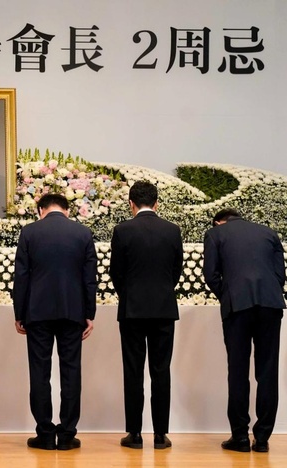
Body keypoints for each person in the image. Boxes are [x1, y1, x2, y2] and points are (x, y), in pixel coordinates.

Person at [13, 193, 97, 451]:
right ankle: (68, 434)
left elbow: (21, 276)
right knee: (71, 371)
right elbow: (89, 278)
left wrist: (19, 313)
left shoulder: (29, 232)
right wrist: (89, 313)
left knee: (40, 372)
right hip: (73, 311)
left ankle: (45, 433)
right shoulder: (82, 233)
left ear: (41, 210)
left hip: (38, 312)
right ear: (67, 210)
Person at [203, 208, 286, 453]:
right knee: (267, 371)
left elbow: (211, 275)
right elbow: (280, 275)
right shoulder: (268, 233)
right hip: (270, 305)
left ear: (218, 222)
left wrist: (228, 295)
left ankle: (239, 437)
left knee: (238, 371)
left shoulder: (215, 234)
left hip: (237, 307)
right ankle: (262, 438)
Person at [109, 181, 183, 450]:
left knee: (133, 371)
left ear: (131, 203)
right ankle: (161, 434)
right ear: (156, 203)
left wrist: (129, 294)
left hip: (132, 310)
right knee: (161, 371)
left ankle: (135, 434)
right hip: (163, 309)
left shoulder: (123, 230)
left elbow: (116, 272)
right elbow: (176, 270)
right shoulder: (172, 230)